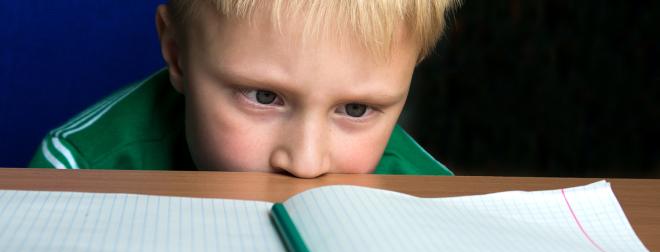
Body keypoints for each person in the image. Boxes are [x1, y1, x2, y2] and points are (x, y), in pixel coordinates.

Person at [30, 0, 456, 178]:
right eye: (264, 97)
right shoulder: (76, 172)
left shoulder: (429, 199)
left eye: (357, 109)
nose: (305, 164)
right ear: (178, 55)